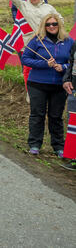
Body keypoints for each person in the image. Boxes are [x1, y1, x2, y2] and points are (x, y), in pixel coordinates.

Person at [22, 14, 73, 157]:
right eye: (48, 24)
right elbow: (26, 59)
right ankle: (35, 144)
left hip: (59, 85)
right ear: (44, 26)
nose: (51, 26)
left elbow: (73, 62)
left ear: (59, 25)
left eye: (54, 24)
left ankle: (58, 146)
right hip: (37, 84)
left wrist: (63, 66)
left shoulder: (69, 42)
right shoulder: (36, 41)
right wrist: (44, 64)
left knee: (56, 116)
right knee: (37, 114)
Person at [62, 41, 76, 170]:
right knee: (74, 125)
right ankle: (74, 158)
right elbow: (71, 63)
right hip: (74, 88)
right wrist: (66, 79)